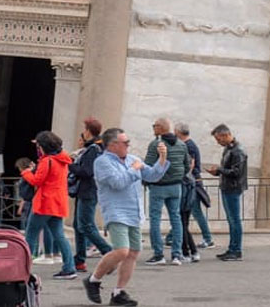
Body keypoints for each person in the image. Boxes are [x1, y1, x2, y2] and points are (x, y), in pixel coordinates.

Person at [84, 127, 169, 307]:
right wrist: (133, 170)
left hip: (134, 211)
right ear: (113, 145)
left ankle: (119, 292)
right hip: (116, 211)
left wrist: (162, 158)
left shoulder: (133, 159)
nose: (128, 146)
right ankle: (93, 280)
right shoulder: (102, 162)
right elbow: (117, 182)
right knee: (121, 251)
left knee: (133, 253)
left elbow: (153, 176)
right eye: (125, 142)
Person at [21, 130, 76, 280]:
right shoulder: (62, 159)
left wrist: (26, 173)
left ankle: (22, 267)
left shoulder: (47, 161)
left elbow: (36, 181)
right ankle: (69, 267)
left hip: (45, 201)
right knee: (59, 235)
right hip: (58, 201)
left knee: (30, 234)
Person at [143, 118, 188, 265]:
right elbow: (187, 165)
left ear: (160, 128)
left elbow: (148, 166)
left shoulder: (156, 144)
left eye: (154, 126)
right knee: (176, 218)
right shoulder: (181, 144)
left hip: (158, 186)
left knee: (155, 219)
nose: (153, 128)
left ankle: (158, 254)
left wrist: (147, 181)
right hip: (176, 186)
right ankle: (177, 254)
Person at [71, 118, 113, 273]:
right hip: (85, 190)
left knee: (86, 225)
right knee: (78, 225)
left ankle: (108, 252)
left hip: (88, 190)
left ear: (88, 131)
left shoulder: (93, 149)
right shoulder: (95, 148)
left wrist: (71, 165)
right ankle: (79, 259)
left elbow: (87, 172)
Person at [206, 123, 247, 261]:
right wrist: (218, 172)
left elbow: (236, 172)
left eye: (219, 139)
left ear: (225, 135)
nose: (218, 142)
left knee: (234, 220)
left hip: (233, 188)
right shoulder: (229, 149)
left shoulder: (237, 151)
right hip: (227, 187)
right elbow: (228, 170)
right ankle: (232, 248)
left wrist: (219, 170)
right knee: (231, 220)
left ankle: (236, 250)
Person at [175, 122, 214, 249]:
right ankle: (173, 236)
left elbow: (190, 165)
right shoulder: (188, 145)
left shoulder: (188, 146)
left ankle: (208, 238)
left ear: (178, 132)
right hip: (192, 182)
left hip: (192, 183)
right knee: (183, 210)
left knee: (195, 211)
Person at [16, 157, 58, 264]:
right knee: (55, 231)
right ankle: (54, 254)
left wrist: (27, 173)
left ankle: (32, 254)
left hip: (39, 201)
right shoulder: (50, 162)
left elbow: (36, 182)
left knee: (32, 230)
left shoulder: (41, 165)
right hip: (44, 200)